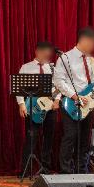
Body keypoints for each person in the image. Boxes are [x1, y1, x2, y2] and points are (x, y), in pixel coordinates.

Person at [53, 26, 94, 174]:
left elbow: (92, 83)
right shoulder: (65, 57)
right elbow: (59, 81)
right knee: (70, 136)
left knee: (84, 139)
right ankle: (66, 171)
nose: (93, 46)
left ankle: (82, 169)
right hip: (70, 102)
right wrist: (75, 96)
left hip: (87, 105)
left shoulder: (89, 60)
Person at [17, 41, 60, 174]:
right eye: (44, 51)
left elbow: (59, 86)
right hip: (32, 106)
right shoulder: (26, 67)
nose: (46, 54)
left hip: (50, 107)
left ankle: (45, 169)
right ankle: (25, 169)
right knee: (31, 137)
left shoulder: (52, 68)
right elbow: (19, 88)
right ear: (37, 51)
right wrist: (21, 104)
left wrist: (57, 100)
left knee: (48, 137)